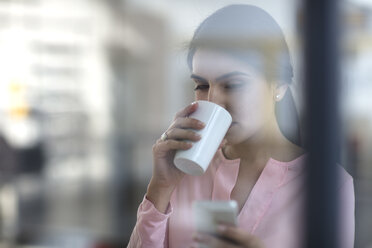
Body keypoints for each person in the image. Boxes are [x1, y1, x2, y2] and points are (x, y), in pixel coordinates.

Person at [128, 4, 354, 248]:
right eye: (201, 86)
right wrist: (160, 188)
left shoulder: (328, 185)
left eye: (233, 85)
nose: (213, 100)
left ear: (278, 86)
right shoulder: (181, 174)